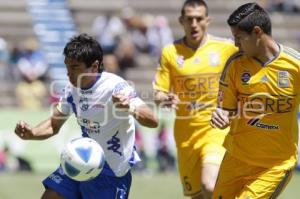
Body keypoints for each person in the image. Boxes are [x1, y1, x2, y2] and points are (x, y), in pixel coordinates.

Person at [14, 33, 158, 199]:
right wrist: (32, 133)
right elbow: (53, 126)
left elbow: (152, 120)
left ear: (95, 66)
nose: (69, 74)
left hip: (111, 172)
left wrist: (130, 107)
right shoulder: (71, 89)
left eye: (75, 68)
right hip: (80, 161)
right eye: (67, 67)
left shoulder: (115, 87)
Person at [210, 3, 300, 198]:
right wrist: (221, 115)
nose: (236, 44)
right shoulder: (234, 65)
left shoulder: (295, 65)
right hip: (235, 160)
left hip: (274, 166)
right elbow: (226, 109)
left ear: (257, 32)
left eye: (239, 38)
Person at [152, 0, 237, 198]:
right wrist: (164, 98)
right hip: (185, 135)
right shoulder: (170, 53)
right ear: (181, 20)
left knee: (210, 185)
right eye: (189, 19)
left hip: (217, 130)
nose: (194, 24)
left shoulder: (227, 49)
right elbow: (158, 93)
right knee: (197, 194)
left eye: (199, 19)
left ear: (208, 20)